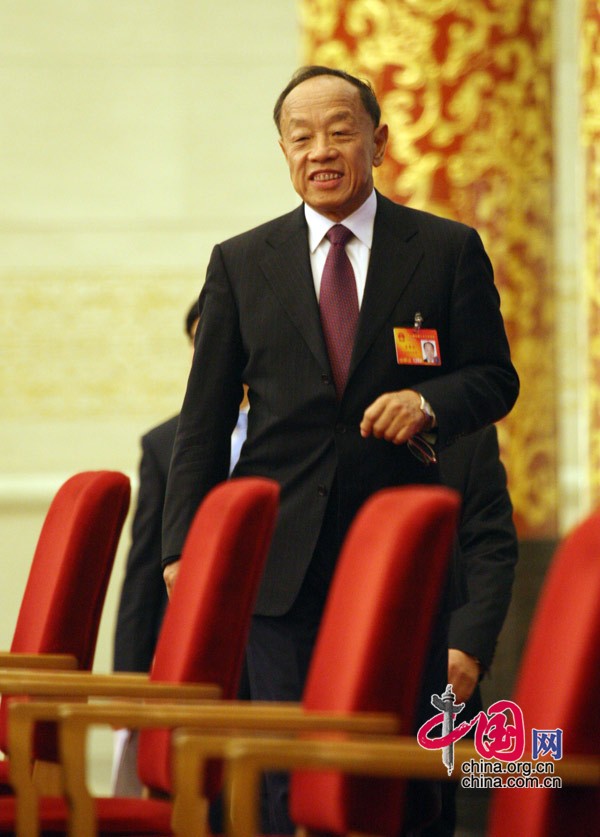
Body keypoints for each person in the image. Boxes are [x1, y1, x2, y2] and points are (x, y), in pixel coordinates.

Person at [162, 66, 519, 831]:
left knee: (413, 773)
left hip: (407, 565)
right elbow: (203, 421)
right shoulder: (240, 262)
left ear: (379, 142)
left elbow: (495, 377)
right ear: (284, 152)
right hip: (279, 568)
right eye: (301, 137)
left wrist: (429, 401)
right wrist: (183, 548)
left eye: (340, 130)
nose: (321, 150)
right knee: (290, 770)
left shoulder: (447, 249)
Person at [111, 300, 248, 796]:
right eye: (200, 345)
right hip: (194, 649)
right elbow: (144, 574)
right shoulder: (164, 444)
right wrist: (128, 686)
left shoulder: (302, 439)